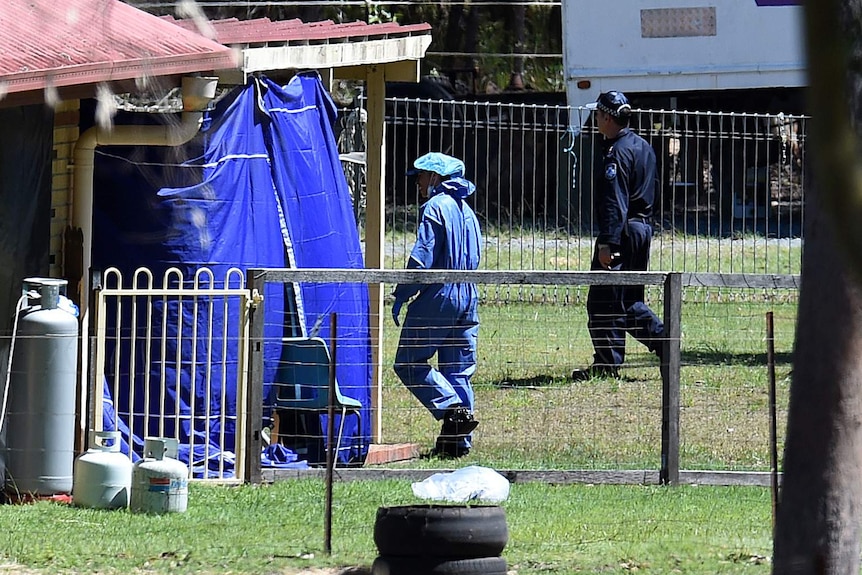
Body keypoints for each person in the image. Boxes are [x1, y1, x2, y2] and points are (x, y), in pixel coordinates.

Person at [391, 152, 482, 458]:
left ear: (434, 178)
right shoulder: (468, 213)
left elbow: (422, 259)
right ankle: (457, 444)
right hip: (468, 297)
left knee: (408, 363)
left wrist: (402, 293)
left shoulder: (434, 207)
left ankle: (452, 409)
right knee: (458, 371)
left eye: (420, 176)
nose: (417, 183)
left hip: (439, 298)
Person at [571, 91, 665, 381]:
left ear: (607, 117)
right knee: (627, 298)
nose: (595, 120)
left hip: (622, 232)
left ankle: (611, 362)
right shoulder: (643, 147)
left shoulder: (616, 153)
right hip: (642, 228)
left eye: (598, 115)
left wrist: (608, 243)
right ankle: (665, 342)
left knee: (603, 299)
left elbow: (615, 202)